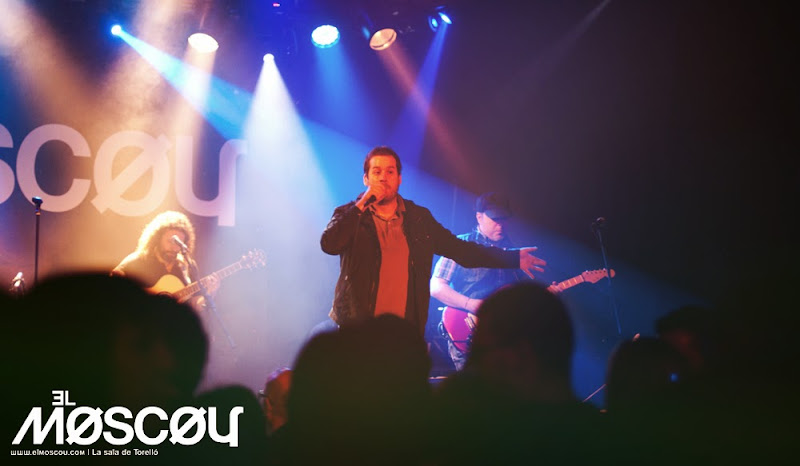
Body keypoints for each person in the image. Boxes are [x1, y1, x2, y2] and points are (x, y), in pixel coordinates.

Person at [320, 146, 546, 336]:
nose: (383, 178)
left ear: (399, 179)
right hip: (358, 328)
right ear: (366, 179)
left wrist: (513, 258)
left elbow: (462, 250)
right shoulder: (349, 215)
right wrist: (362, 203)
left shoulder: (419, 219)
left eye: (390, 172)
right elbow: (329, 244)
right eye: (376, 172)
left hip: (404, 329)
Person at [430, 192, 530, 370]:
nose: (501, 225)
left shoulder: (512, 251)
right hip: (466, 329)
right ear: (479, 217)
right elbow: (436, 287)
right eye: (495, 219)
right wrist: (471, 304)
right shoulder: (460, 244)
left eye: (504, 219)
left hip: (501, 335)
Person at [112, 210, 217, 310]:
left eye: (178, 243)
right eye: (170, 241)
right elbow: (112, 284)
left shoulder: (187, 266)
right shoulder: (140, 260)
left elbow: (195, 306)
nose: (174, 248)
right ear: (157, 239)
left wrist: (210, 292)